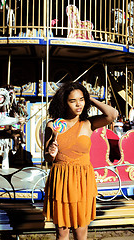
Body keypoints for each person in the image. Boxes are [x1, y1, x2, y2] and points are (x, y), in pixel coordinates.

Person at [43, 81, 118, 240]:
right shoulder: (53, 125)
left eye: (81, 99)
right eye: (73, 101)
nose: (78, 104)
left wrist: (91, 100)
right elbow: (48, 157)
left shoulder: (88, 123)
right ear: (64, 102)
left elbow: (112, 115)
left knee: (80, 232)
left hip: (82, 181)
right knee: (62, 233)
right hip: (61, 180)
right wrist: (50, 152)